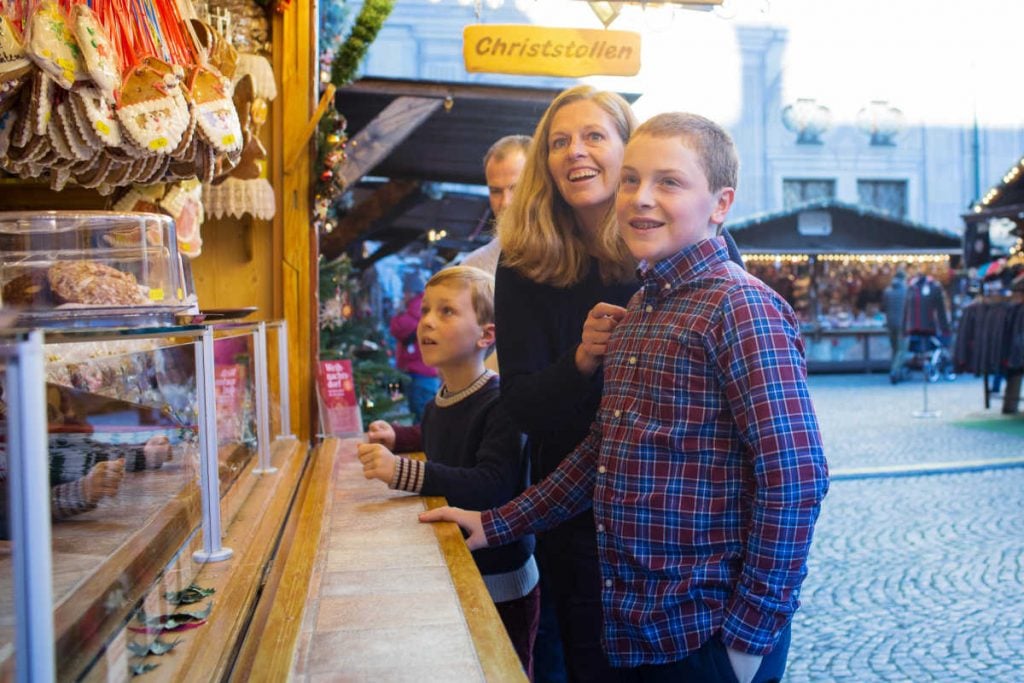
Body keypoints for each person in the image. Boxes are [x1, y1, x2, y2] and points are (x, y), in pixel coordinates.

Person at [423, 112, 829, 682]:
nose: (641, 198)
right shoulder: (639, 308)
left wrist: (749, 639)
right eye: (632, 180)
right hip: (633, 626)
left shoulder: (743, 309)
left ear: (720, 204)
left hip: (704, 634)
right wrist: (497, 523)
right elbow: (601, 452)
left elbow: (795, 478)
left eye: (669, 182)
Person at [491, 86, 746, 683]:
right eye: (558, 141)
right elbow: (522, 405)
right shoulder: (524, 259)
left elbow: (775, 448)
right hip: (578, 523)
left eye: (593, 136)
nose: (574, 152)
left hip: (687, 533)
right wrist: (580, 361)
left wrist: (751, 634)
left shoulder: (693, 250)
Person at [358, 266, 540, 678]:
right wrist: (400, 438)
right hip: (459, 565)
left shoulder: (501, 404)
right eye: (425, 311)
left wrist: (402, 471)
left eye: (446, 312)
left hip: (502, 580)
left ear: (486, 336)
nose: (426, 322)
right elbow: (441, 431)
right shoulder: (440, 398)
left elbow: (491, 483)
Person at [461, 134, 531, 275]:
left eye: (516, 189)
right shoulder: (473, 269)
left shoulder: (578, 252)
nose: (505, 202)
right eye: (496, 191)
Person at [390, 272, 441, 423]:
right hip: (426, 372)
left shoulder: (417, 307)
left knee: (421, 418)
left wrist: (398, 313)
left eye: (404, 292)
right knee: (424, 415)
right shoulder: (425, 305)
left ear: (410, 292)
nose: (403, 295)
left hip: (419, 372)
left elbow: (398, 328)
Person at [881, 268, 908, 381]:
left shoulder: (887, 291)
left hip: (890, 324)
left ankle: (897, 370)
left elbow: (883, 308)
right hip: (902, 325)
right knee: (902, 349)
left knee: (894, 349)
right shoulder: (906, 291)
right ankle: (895, 371)